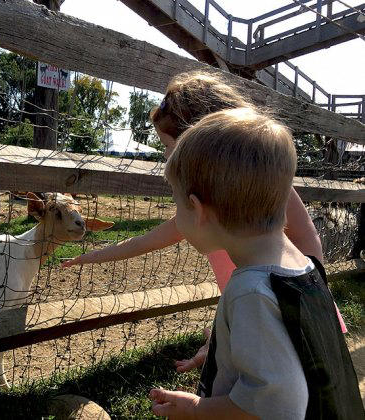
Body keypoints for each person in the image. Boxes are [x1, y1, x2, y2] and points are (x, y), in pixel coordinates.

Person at [62, 71, 346, 372]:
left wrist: (308, 296)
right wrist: (93, 256)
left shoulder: (263, 184)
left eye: (169, 147)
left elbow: (307, 237)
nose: (168, 158)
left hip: (293, 314)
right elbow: (151, 239)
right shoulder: (206, 208)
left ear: (198, 142)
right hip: (257, 314)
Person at [148, 108, 362, 419]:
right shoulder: (303, 266)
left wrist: (196, 409)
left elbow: (276, 402)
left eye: (176, 202)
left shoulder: (251, 291)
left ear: (198, 210)